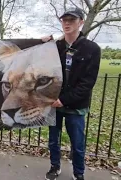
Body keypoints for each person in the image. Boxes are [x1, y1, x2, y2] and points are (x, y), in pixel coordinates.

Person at [42, 7, 101, 180]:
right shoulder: (55, 46)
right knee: (53, 140)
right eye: (64, 20)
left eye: (72, 20)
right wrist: (40, 42)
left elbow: (87, 83)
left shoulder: (92, 49)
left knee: (77, 143)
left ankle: (78, 173)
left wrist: (64, 99)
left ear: (81, 22)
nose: (67, 23)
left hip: (76, 105)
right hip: (54, 103)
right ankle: (55, 167)